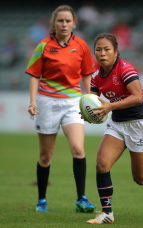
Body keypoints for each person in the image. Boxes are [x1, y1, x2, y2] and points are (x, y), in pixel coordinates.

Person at [84, 33, 143, 224]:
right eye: (98, 49)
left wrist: (110, 106)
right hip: (117, 124)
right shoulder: (96, 76)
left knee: (140, 177)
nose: (102, 53)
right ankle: (107, 213)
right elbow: (92, 102)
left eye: (107, 49)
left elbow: (138, 97)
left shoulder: (125, 68)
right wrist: (89, 114)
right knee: (101, 164)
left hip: (139, 124)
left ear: (116, 52)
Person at [26, 5, 96, 213]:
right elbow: (34, 75)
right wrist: (33, 102)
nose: (64, 24)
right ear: (54, 23)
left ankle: (81, 199)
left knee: (78, 149)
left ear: (74, 23)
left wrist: (89, 98)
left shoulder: (81, 45)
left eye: (67, 21)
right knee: (46, 156)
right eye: (60, 21)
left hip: (73, 102)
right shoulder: (43, 46)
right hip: (47, 102)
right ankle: (41, 201)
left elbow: (86, 74)